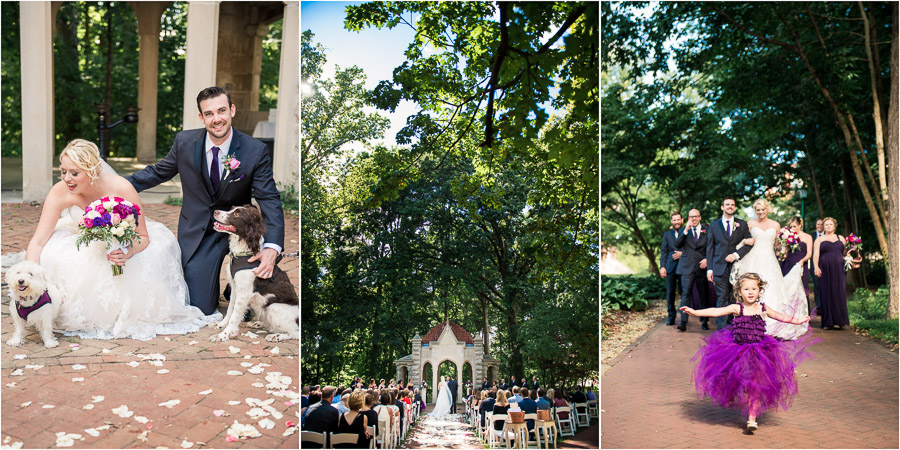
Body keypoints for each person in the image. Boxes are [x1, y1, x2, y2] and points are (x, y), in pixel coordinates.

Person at [27, 139, 215, 340]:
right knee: (59, 254)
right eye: (63, 171)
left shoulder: (121, 188)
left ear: (92, 171)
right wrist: (29, 276)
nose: (67, 178)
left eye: (74, 173)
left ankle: (120, 312)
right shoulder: (59, 191)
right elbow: (38, 240)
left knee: (152, 254)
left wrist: (127, 251)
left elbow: (142, 236)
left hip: (124, 237)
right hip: (80, 237)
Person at [126, 86, 285, 316]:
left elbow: (269, 198)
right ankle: (223, 286)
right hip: (200, 229)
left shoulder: (255, 151)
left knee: (253, 304)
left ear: (232, 110)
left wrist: (272, 247)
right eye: (209, 113)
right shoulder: (184, 142)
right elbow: (157, 172)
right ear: (201, 117)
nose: (216, 119)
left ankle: (236, 287)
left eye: (221, 111)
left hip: (240, 230)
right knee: (200, 306)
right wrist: (117, 184)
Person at [680, 273, 819, 432]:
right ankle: (746, 403)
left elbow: (780, 316)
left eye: (754, 288)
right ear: (739, 292)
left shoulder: (763, 308)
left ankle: (752, 418)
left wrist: (797, 320)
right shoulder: (736, 308)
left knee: (756, 385)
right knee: (742, 383)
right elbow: (716, 311)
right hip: (737, 352)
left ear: (760, 291)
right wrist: (695, 312)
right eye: (746, 289)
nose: (751, 292)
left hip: (761, 353)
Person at [732, 199, 809, 340]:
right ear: (755, 211)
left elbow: (777, 245)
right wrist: (744, 241)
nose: (761, 212)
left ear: (767, 209)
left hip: (770, 259)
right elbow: (741, 240)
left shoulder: (776, 224)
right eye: (758, 210)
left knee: (772, 288)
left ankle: (773, 325)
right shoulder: (750, 223)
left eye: (763, 209)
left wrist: (785, 244)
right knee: (751, 288)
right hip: (753, 259)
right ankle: (749, 325)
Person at [706, 197, 754, 330]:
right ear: (722, 207)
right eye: (727, 204)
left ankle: (734, 327)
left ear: (735, 208)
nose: (730, 206)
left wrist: (736, 255)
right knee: (722, 297)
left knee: (735, 297)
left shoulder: (742, 224)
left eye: (732, 205)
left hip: (738, 267)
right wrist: (709, 270)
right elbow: (710, 248)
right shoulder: (713, 225)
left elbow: (749, 243)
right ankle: (722, 330)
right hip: (718, 266)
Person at [675, 209, 711, 331]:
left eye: (696, 216)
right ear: (688, 218)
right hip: (686, 267)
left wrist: (707, 259)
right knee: (686, 294)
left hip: (701, 267)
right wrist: (685, 230)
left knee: (703, 296)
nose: (694, 219)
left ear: (700, 217)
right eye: (691, 217)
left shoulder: (707, 229)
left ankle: (704, 321)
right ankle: (683, 322)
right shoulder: (683, 230)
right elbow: (677, 244)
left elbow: (712, 246)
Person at [813, 217, 850, 329]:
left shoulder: (841, 238)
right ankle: (827, 322)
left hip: (838, 269)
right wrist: (816, 267)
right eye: (826, 224)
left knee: (839, 292)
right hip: (825, 268)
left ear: (834, 226)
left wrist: (852, 258)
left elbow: (846, 253)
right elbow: (816, 255)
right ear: (823, 227)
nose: (828, 226)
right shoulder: (819, 239)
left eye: (830, 224)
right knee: (826, 292)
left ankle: (840, 321)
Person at [780, 217, 813, 305]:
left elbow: (809, 253)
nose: (792, 229)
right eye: (791, 227)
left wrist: (802, 261)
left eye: (794, 226)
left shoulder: (807, 237)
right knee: (788, 289)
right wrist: (784, 253)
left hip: (802, 264)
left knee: (802, 289)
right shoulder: (788, 237)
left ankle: (802, 315)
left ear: (800, 225)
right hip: (788, 264)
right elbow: (785, 253)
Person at [660, 211, 685, 326]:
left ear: (682, 220)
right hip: (670, 267)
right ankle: (671, 318)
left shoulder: (687, 232)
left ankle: (684, 319)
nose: (676, 222)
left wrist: (682, 254)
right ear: (671, 221)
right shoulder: (667, 234)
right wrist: (662, 266)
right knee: (670, 293)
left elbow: (692, 248)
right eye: (674, 220)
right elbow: (664, 251)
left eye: (678, 219)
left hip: (684, 266)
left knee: (684, 293)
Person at [811, 219, 825, 315]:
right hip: (814, 264)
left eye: (821, 224)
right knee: (817, 286)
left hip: (825, 263)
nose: (819, 226)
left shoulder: (828, 236)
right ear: (816, 225)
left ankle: (826, 306)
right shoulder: (811, 236)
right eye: (818, 224)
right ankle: (818, 306)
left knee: (825, 285)